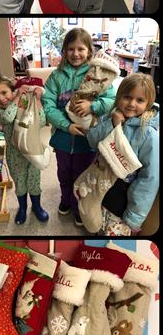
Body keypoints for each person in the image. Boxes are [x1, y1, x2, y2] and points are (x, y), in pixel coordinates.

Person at [42, 28, 115, 227]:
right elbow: (47, 106)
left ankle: (77, 207)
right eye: (71, 49)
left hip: (87, 139)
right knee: (64, 173)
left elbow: (111, 100)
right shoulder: (56, 77)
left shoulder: (99, 74)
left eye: (81, 49)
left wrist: (92, 105)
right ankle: (66, 200)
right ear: (64, 51)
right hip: (63, 139)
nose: (76, 53)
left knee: (82, 176)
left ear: (89, 51)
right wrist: (66, 125)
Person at [86, 73, 159, 236]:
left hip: (123, 200)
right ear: (119, 96)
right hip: (99, 186)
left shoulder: (148, 134)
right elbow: (92, 140)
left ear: (148, 102)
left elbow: (149, 179)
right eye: (127, 97)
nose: (132, 104)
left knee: (111, 237)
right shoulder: (110, 115)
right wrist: (112, 123)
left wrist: (134, 217)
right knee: (96, 224)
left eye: (139, 100)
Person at [0, 75, 49, 224]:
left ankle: (36, 206)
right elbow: (9, 117)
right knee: (20, 184)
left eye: (4, 93)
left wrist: (37, 101)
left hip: (32, 151)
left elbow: (42, 121)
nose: (1, 99)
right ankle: (22, 208)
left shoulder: (24, 103)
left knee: (34, 182)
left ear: (12, 90)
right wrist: (16, 98)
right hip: (15, 156)